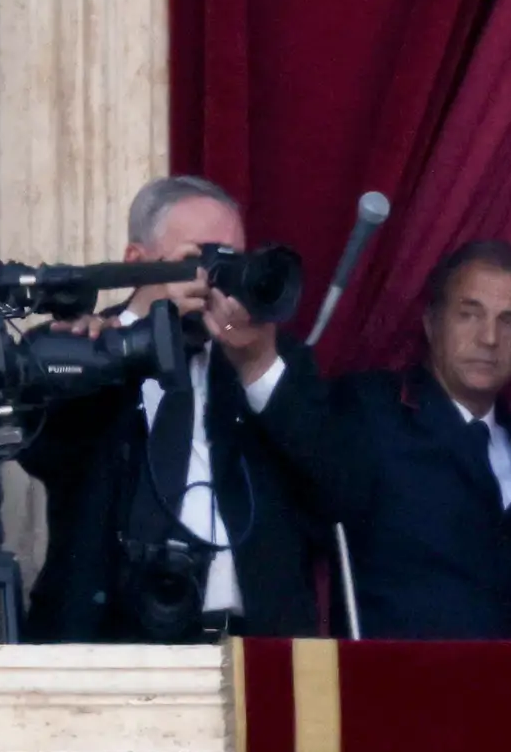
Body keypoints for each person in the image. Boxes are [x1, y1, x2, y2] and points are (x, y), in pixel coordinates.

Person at [25, 174, 348, 645]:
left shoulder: (276, 359)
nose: (216, 280)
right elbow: (43, 449)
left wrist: (257, 367)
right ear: (137, 262)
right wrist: (132, 342)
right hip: (107, 644)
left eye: (232, 263)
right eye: (200, 259)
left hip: (249, 643)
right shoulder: (83, 345)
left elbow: (338, 487)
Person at [321, 238, 511, 641]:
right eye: (469, 315)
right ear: (431, 322)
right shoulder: (371, 413)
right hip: (396, 691)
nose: (489, 338)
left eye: (510, 322)